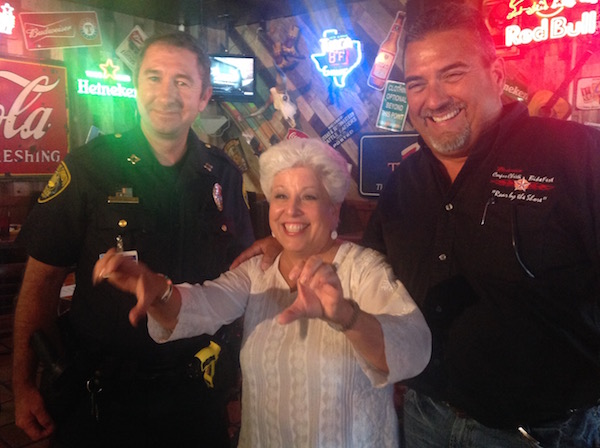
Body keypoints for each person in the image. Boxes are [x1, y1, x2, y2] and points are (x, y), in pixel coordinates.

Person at [232, 4, 600, 447]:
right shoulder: (403, 181)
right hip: (425, 420)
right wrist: (287, 247)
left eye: (453, 74)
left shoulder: (577, 155)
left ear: (497, 75)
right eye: (417, 83)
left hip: (539, 433)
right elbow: (362, 262)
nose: (434, 97)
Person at [93, 137, 432, 448]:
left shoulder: (364, 270)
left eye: (309, 197)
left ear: (334, 210)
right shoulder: (258, 271)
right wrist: (159, 292)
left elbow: (414, 350)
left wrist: (346, 315)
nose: (292, 210)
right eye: (281, 196)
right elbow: (203, 305)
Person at [13, 31, 254, 448]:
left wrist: (244, 385)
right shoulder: (89, 167)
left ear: (203, 96)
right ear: (136, 86)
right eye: (154, 77)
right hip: (103, 400)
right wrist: (22, 386)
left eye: (182, 81)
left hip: (196, 397)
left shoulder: (224, 175)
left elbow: (243, 277)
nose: (167, 93)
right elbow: (41, 282)